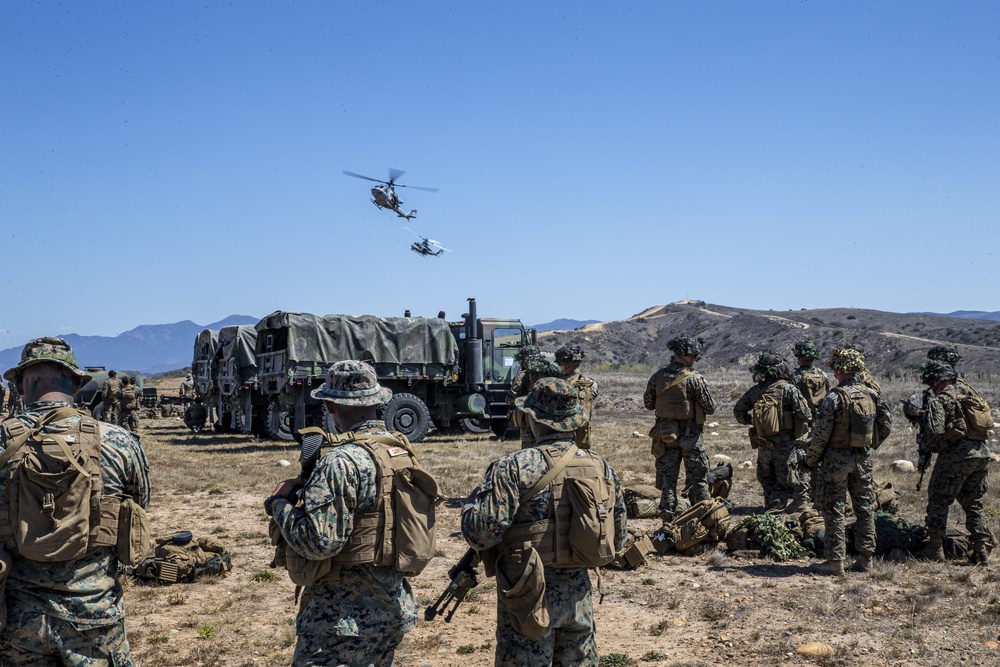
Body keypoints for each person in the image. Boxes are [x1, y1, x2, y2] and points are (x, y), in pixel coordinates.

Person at [0, 337, 150, 665]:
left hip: (17, 618)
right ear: (77, 384)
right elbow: (140, 507)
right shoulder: (118, 440)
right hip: (95, 613)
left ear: (21, 387)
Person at [265, 360, 424, 666]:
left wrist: (279, 505)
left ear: (329, 404)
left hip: (341, 619)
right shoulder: (399, 453)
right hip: (390, 607)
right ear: (378, 401)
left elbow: (319, 542)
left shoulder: (340, 462)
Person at [462, 377, 627, 666]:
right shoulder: (600, 466)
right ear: (573, 421)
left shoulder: (512, 467)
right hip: (578, 597)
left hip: (527, 595)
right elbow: (619, 538)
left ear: (531, 418)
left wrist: (470, 507)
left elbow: (482, 534)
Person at [802, 348, 891, 575]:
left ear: (839, 369)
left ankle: (835, 561)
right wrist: (870, 443)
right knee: (864, 508)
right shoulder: (871, 394)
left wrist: (809, 462)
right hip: (862, 459)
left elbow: (820, 436)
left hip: (836, 461)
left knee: (834, 510)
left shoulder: (833, 397)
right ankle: (866, 558)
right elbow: (887, 422)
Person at [916, 360, 994, 564]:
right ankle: (981, 550)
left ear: (936, 381)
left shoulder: (941, 400)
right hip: (982, 454)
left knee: (939, 498)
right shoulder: (971, 396)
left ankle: (934, 548)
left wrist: (927, 445)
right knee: (973, 502)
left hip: (957, 456)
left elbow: (934, 434)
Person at [643, 335, 717, 526]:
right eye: (693, 355)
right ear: (685, 356)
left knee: (668, 481)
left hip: (666, 435)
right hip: (691, 436)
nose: (694, 359)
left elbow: (648, 404)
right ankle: (705, 521)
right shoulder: (695, 379)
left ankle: (667, 523)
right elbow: (710, 407)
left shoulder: (657, 377)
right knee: (699, 479)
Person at [733, 352, 812, 514]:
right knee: (783, 484)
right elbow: (806, 414)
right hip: (786, 447)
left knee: (767, 480)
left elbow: (738, 412)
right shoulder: (789, 389)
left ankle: (769, 507)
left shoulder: (757, 390)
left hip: (763, 446)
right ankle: (774, 515)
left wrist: (755, 421)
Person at [508, 345, 561, 446]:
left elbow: (512, 398)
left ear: (524, 360)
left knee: (529, 449)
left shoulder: (523, 376)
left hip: (529, 418)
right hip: (550, 417)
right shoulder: (551, 371)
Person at [555, 344, 599, 449]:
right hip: (582, 437)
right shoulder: (591, 384)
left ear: (565, 365)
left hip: (560, 438)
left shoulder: (554, 384)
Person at [792, 339, 830, 419]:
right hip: (819, 417)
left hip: (802, 418)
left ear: (799, 357)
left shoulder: (794, 376)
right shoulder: (823, 374)